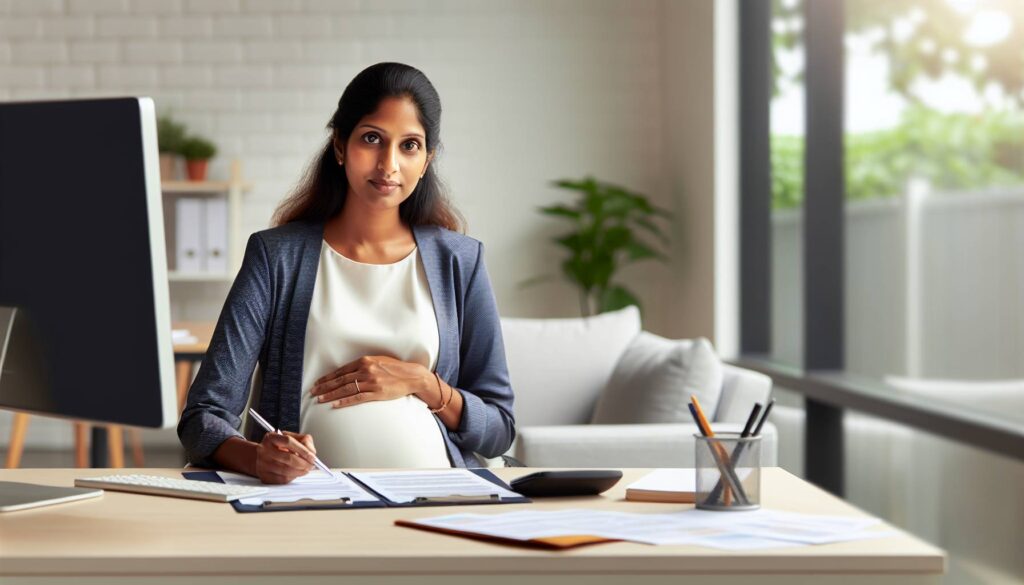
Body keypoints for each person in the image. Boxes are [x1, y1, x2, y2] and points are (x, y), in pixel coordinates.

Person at [178, 62, 516, 484]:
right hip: (309, 502)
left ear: (427, 160)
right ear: (340, 145)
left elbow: (500, 428)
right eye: (372, 139)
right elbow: (202, 417)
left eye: (409, 146)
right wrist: (255, 458)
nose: (388, 164)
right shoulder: (275, 256)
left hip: (437, 498)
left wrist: (424, 384)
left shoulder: (460, 261)